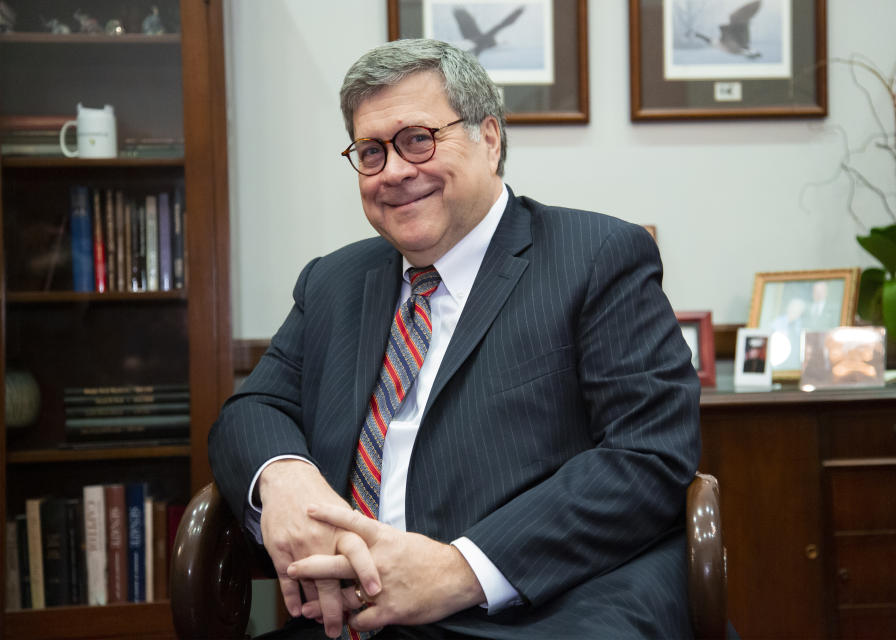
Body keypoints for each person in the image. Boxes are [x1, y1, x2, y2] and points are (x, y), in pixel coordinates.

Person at [208, 38, 701, 640]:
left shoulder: (594, 257)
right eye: (370, 151)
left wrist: (460, 568)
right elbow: (252, 410)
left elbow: (648, 453)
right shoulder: (333, 281)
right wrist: (284, 478)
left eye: (418, 139)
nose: (393, 172)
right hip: (346, 623)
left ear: (489, 137)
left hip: (531, 615)